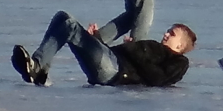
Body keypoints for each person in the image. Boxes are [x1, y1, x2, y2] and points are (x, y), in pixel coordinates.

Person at [11, 13, 196, 87]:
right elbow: (121, 55)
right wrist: (97, 40)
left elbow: (157, 78)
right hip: (112, 62)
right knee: (62, 18)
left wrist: (133, 49)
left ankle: (37, 67)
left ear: (179, 46)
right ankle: (40, 70)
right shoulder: (154, 48)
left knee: (71, 26)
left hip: (116, 73)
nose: (165, 34)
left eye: (171, 34)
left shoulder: (179, 62)